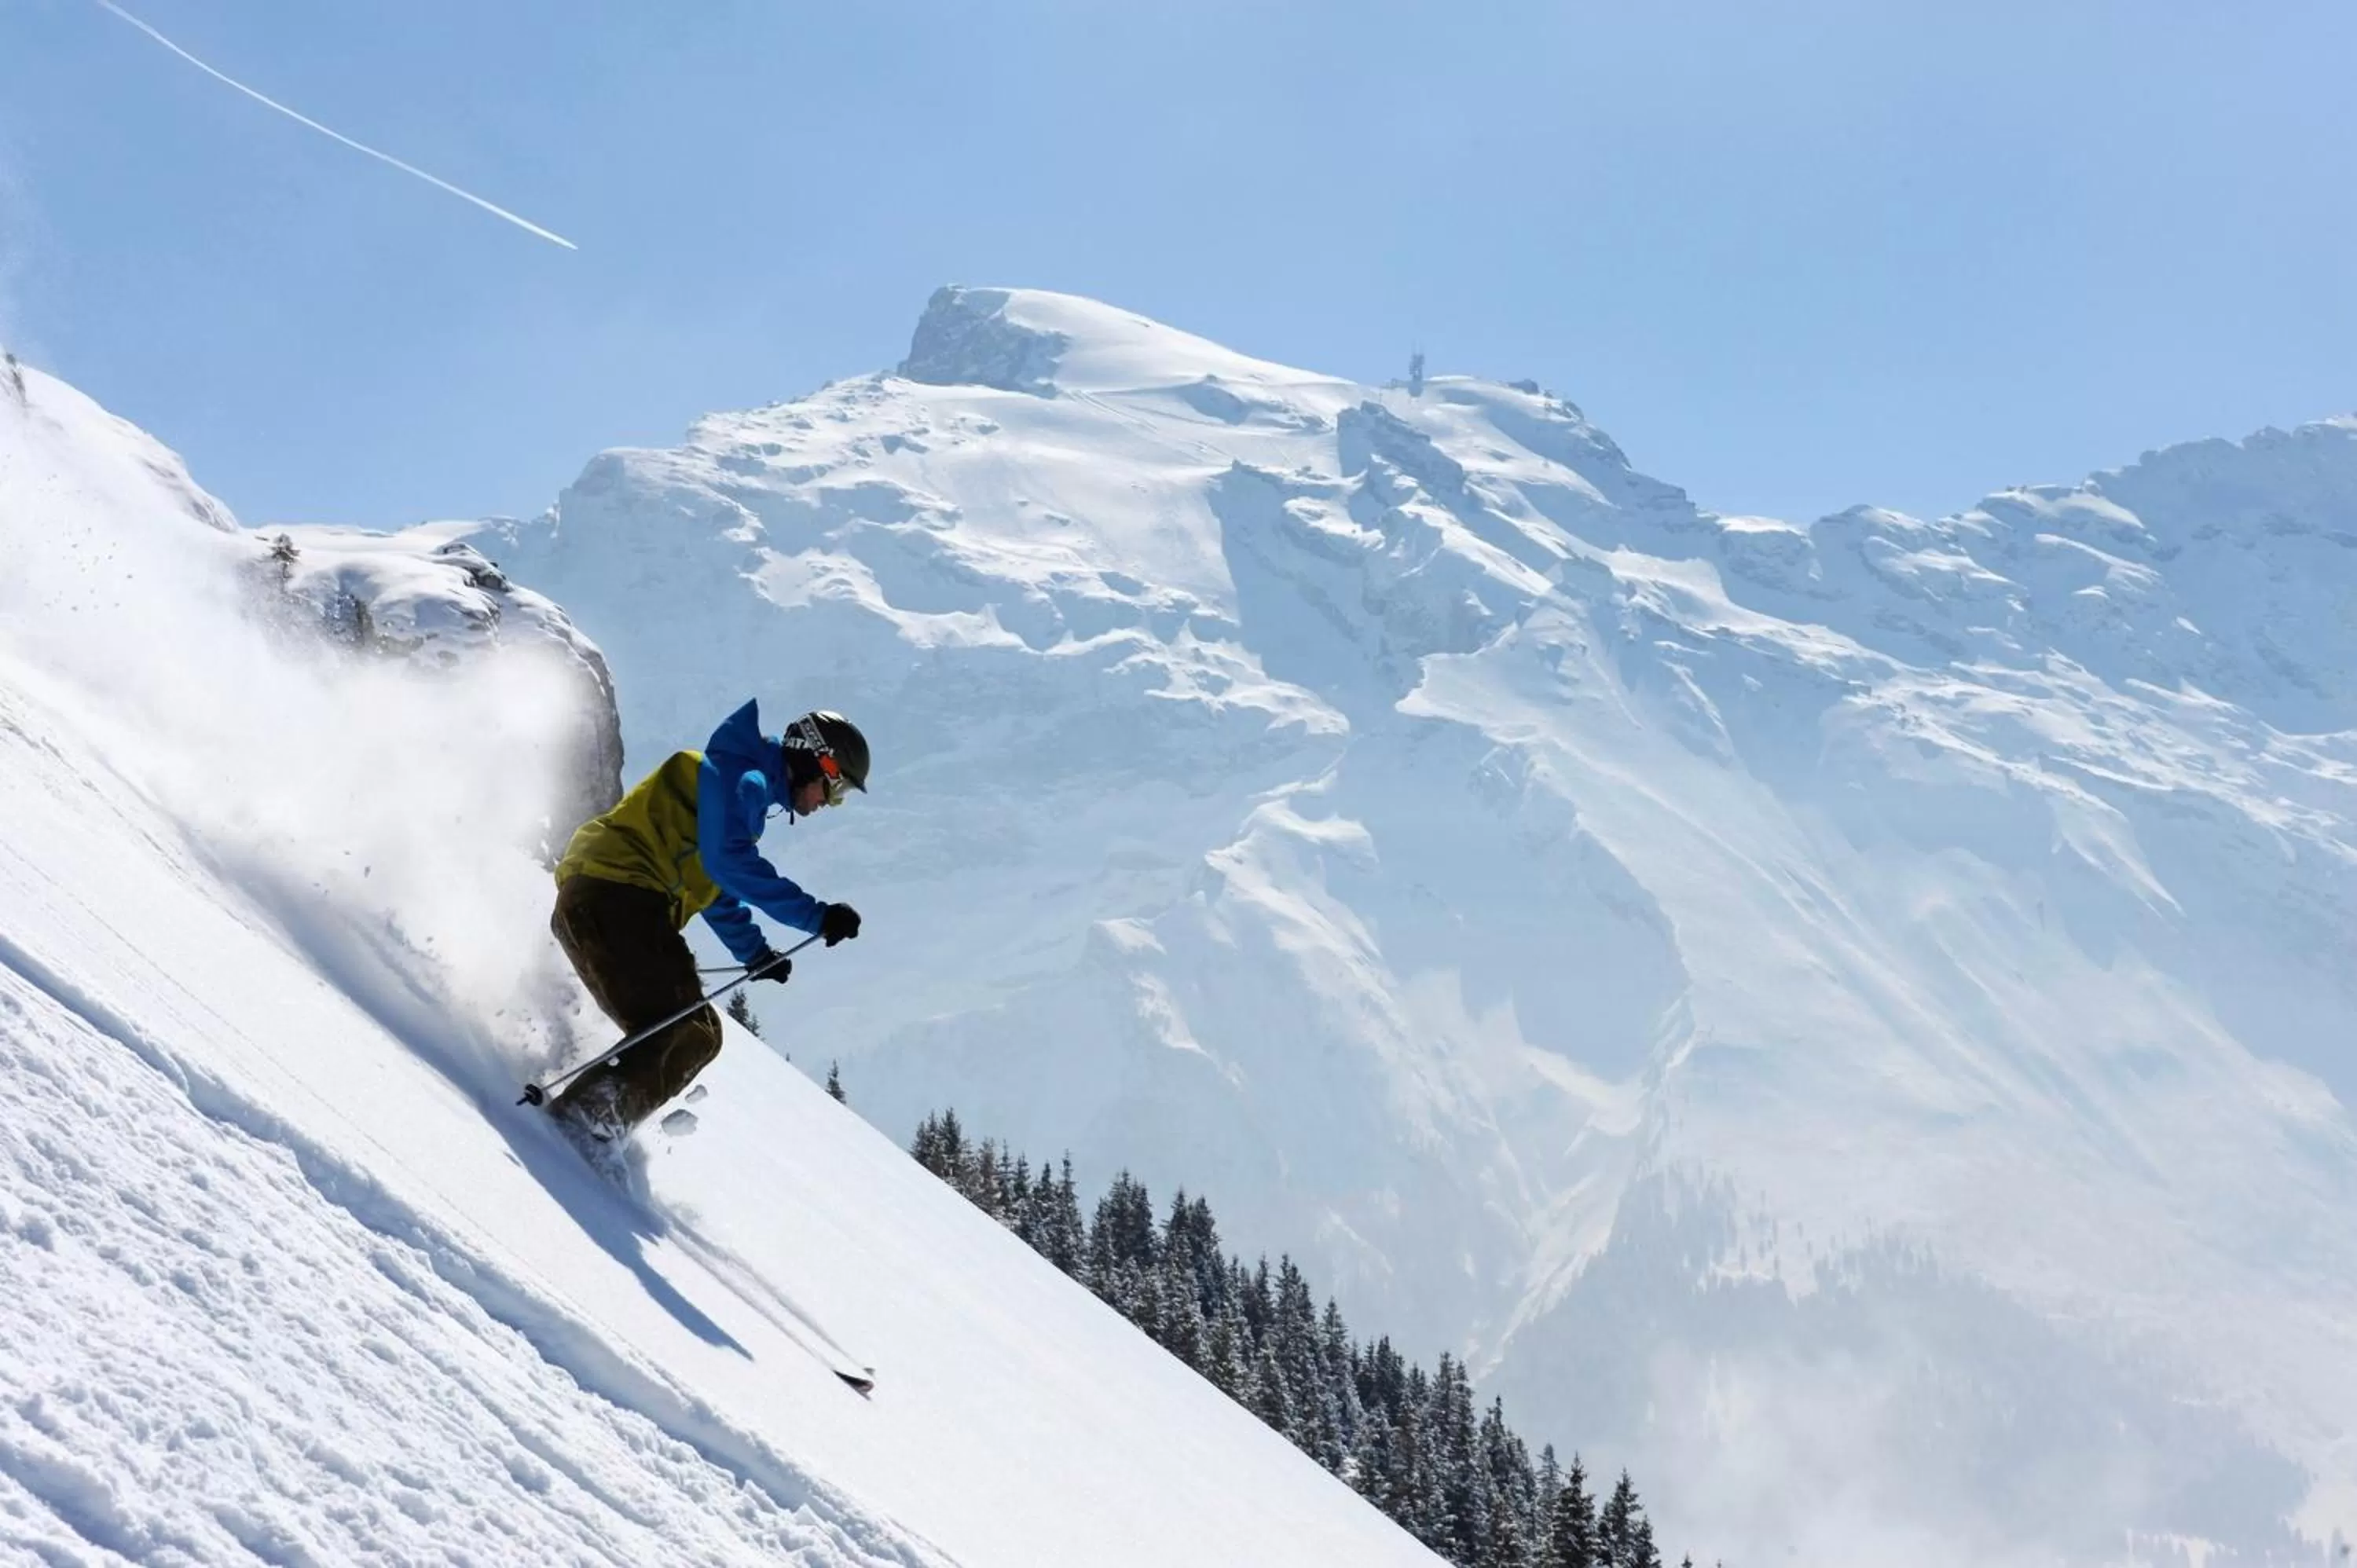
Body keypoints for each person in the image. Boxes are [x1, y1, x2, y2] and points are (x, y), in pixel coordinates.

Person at [543, 699, 867, 1142]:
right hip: (616, 899)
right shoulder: (741, 780)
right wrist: (817, 915)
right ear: (818, 762)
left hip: (601, 903)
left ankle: (582, 1125)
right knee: (688, 1031)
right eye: (836, 790)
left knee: (694, 1030)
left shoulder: (737, 784)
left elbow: (712, 887)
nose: (828, 804)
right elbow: (726, 863)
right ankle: (575, 1130)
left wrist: (755, 952)